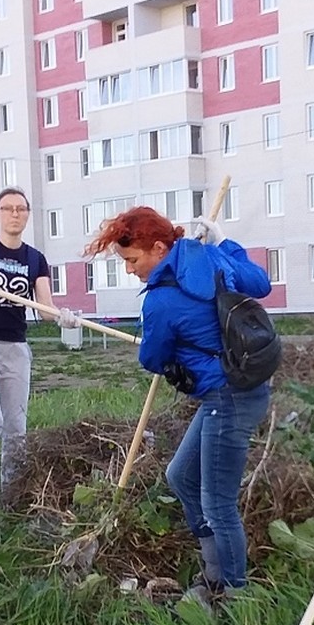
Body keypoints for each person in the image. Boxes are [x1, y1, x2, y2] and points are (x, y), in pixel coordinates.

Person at [84, 206, 272, 604]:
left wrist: (166, 343)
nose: (131, 270)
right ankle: (214, 572)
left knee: (218, 503)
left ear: (158, 247)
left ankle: (235, 598)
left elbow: (151, 358)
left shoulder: (162, 300)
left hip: (229, 397)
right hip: (241, 387)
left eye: (133, 260)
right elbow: (261, 283)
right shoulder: (211, 256)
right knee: (181, 476)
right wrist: (224, 242)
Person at [0, 187, 77, 516]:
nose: (14, 214)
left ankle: (13, 492)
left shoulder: (35, 259)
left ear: (27, 214)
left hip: (16, 351)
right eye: (7, 208)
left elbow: (44, 309)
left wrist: (64, 317)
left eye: (20, 209)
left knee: (16, 427)